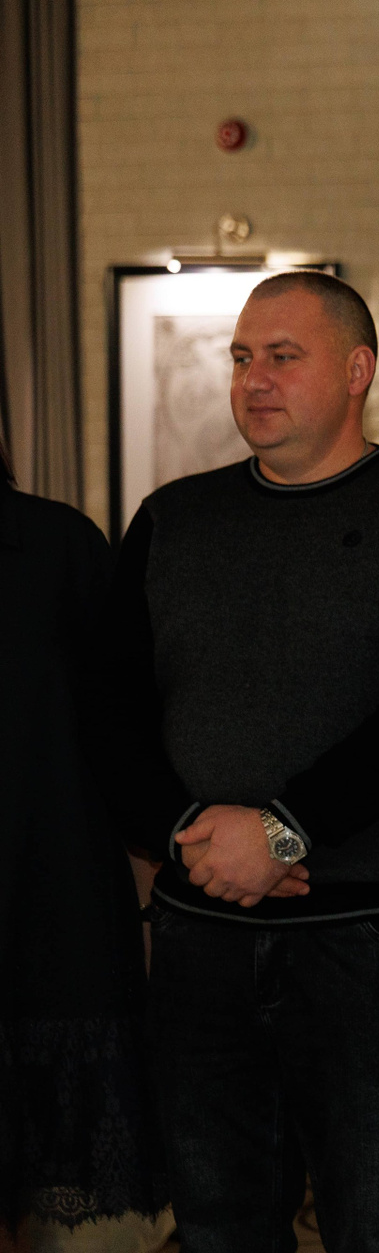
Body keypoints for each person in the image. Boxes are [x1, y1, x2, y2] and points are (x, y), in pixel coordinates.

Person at [113, 270, 379, 1252]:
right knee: (219, 1221)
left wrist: (282, 831)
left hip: (367, 936)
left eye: (283, 357)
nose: (254, 379)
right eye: (242, 357)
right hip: (200, 931)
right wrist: (186, 835)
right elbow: (112, 710)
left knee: (376, 1218)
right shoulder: (170, 519)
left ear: (358, 369)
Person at [0, 433, 166, 1249]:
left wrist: (165, 845)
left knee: (47, 1189)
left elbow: (122, 723)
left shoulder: (57, 544)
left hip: (44, 884)